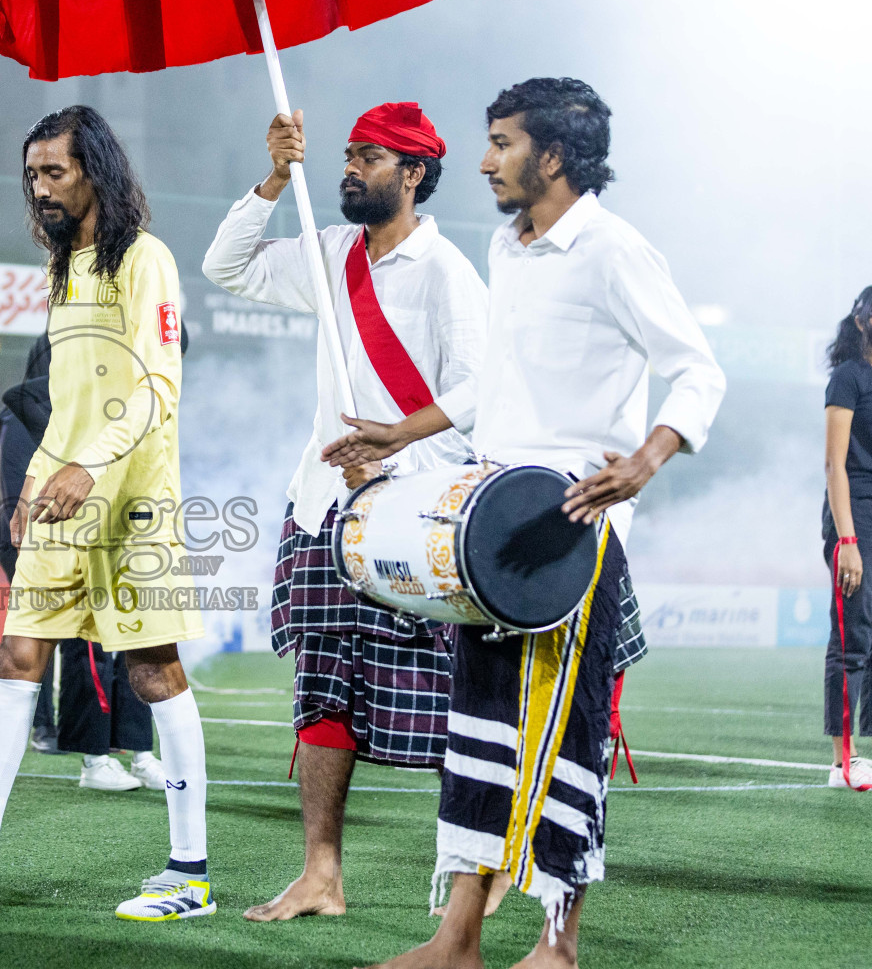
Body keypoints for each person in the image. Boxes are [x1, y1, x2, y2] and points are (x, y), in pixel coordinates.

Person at [328, 78, 725, 969]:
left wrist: (645, 458)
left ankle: (558, 943)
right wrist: (405, 433)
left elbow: (698, 371)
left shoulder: (614, 250)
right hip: (488, 527)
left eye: (501, 142)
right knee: (481, 733)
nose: (483, 160)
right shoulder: (508, 249)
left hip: (569, 535)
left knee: (562, 736)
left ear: (552, 156)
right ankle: (457, 939)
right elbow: (491, 388)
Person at [0, 106, 212, 920]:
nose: (40, 188)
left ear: (94, 168)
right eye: (32, 174)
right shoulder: (66, 265)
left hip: (132, 499)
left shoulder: (147, 259)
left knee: (152, 669)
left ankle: (188, 875)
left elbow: (155, 389)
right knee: (16, 656)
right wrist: (32, 487)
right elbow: (70, 398)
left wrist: (89, 466)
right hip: (60, 494)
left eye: (54, 171)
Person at [203, 102, 493, 922]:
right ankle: (321, 876)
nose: (348, 169)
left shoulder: (447, 272)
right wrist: (271, 178)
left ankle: (483, 871)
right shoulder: (329, 251)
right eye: (346, 155)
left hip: (419, 510)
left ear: (413, 174)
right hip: (325, 502)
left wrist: (397, 438)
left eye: (369, 158)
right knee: (321, 687)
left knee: (453, 694)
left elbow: (478, 391)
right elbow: (229, 267)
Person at [0, 330, 173, 789]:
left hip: (103, 532)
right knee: (78, 646)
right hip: (45, 538)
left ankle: (137, 750)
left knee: (133, 636)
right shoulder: (25, 412)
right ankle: (91, 756)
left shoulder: (103, 407)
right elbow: (23, 495)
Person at [0, 332, 60, 754]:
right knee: (41, 630)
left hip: (48, 532)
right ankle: (42, 727)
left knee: (56, 630)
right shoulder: (22, 418)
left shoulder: (51, 412)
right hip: (24, 537)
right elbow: (20, 494)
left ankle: (63, 726)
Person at [821, 285, 872, 789]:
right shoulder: (848, 378)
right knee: (852, 637)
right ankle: (843, 762)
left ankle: (867, 752)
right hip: (853, 516)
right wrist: (848, 541)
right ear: (862, 321)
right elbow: (835, 464)